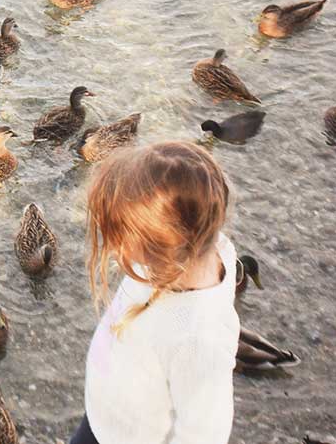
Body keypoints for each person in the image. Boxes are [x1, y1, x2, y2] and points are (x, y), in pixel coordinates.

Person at [70, 141, 240, 444]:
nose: (114, 247)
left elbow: (204, 434)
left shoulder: (197, 339)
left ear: (160, 244)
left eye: (122, 235)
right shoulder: (201, 246)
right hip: (106, 417)